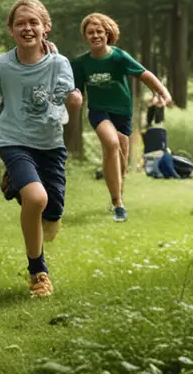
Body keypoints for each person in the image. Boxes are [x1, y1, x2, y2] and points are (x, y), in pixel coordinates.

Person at [0, 0, 82, 299]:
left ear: (46, 28)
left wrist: (74, 100)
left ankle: (17, 184)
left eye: (33, 22)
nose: (27, 28)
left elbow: (67, 93)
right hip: (13, 140)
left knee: (51, 219)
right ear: (11, 30)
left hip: (50, 145)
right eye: (20, 23)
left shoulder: (59, 63)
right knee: (36, 198)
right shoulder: (1, 65)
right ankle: (38, 272)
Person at [70, 13, 171, 221]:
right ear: (85, 36)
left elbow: (145, 75)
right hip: (99, 111)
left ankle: (117, 195)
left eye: (99, 31)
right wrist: (72, 99)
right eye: (90, 32)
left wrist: (163, 93)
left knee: (121, 158)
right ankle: (118, 203)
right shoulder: (80, 63)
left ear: (107, 33)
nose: (95, 35)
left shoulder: (119, 57)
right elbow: (77, 91)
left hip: (122, 112)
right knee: (111, 143)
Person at [141, 97, 180, 179]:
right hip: (159, 164)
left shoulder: (146, 130)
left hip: (149, 166)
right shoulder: (161, 130)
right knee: (165, 154)